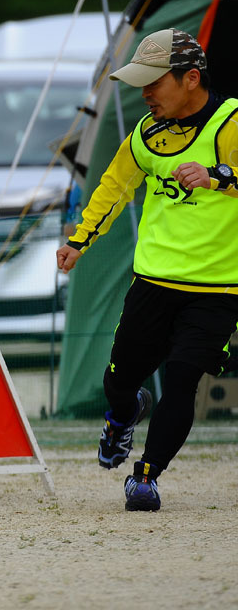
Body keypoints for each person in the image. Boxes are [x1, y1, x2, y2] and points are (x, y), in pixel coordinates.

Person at [56, 29, 238, 512]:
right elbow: (114, 188)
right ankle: (123, 414)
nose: (145, 93)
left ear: (191, 79)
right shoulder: (145, 134)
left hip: (219, 288)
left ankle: (146, 476)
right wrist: (79, 242)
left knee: (182, 377)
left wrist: (220, 177)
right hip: (152, 283)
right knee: (119, 381)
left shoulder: (231, 122)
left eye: (154, 83)